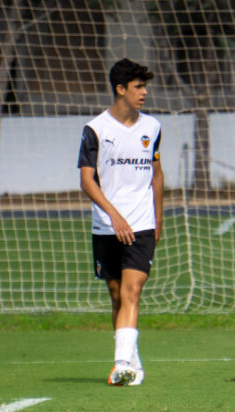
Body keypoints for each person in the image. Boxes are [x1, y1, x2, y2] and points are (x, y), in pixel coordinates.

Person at [77, 58, 163, 386]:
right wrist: (114, 216)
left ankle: (122, 363)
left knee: (133, 290)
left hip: (140, 224)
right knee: (116, 294)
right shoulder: (95, 130)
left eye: (144, 86)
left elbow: (156, 175)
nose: (144, 93)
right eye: (138, 87)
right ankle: (132, 359)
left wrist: (158, 217)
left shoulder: (152, 128)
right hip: (106, 226)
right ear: (120, 89)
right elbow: (87, 181)